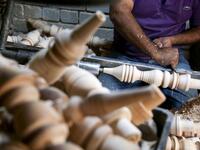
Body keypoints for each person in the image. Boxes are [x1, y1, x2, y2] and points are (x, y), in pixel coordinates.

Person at [98, 0, 200, 109]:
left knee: (192, 110)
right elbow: (118, 11)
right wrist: (155, 52)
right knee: (99, 104)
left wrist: (172, 40)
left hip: (172, 60)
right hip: (127, 56)